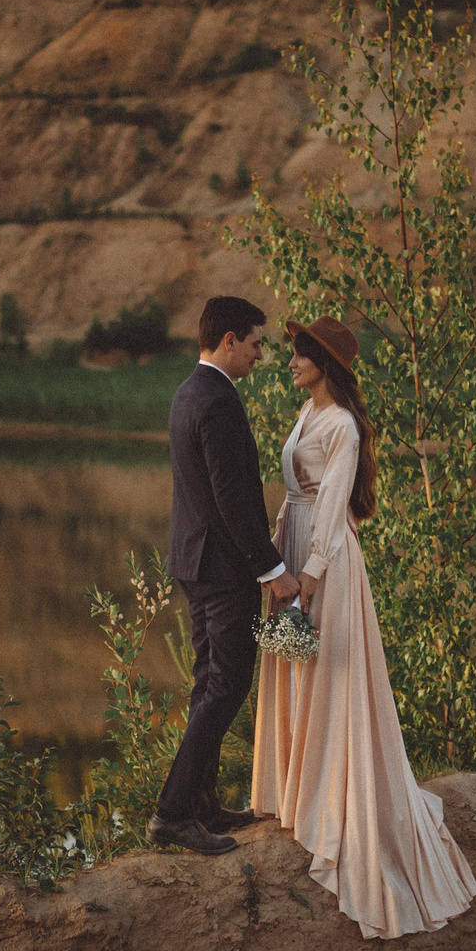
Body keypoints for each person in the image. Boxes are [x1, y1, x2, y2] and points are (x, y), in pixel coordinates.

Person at [252, 317, 476, 939]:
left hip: (326, 561)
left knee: (328, 669)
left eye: (302, 355)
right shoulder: (305, 412)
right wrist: (273, 556)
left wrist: (311, 579)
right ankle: (299, 791)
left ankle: (331, 802)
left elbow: (331, 505)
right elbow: (297, 495)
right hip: (294, 547)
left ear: (327, 364)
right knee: (297, 665)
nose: (291, 361)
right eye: (294, 353)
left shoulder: (344, 426)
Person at [151, 296, 300, 855]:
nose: (262, 354)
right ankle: (171, 813)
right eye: (257, 343)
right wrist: (273, 570)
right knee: (228, 684)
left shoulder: (188, 392)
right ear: (230, 340)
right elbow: (232, 498)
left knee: (207, 681)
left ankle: (201, 804)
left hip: (193, 560)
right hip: (221, 567)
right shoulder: (216, 401)